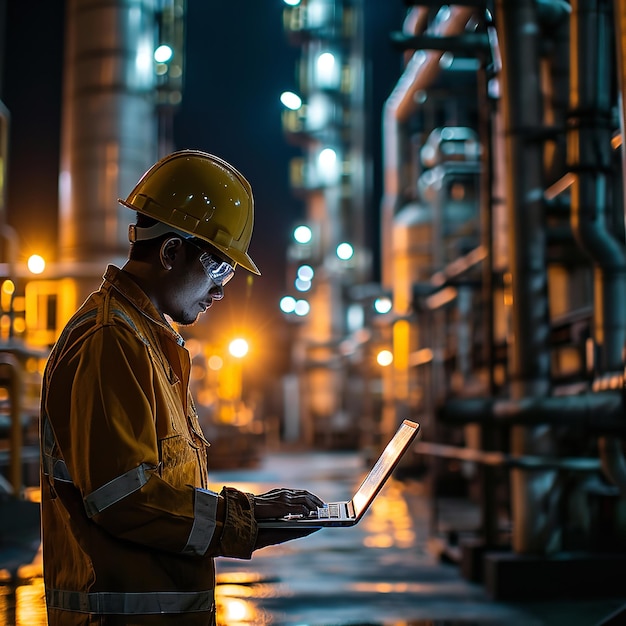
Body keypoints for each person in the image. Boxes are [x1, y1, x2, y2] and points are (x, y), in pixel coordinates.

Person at [39, 150, 324, 625]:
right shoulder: (112, 341)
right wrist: (246, 517)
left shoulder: (149, 343)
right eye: (218, 268)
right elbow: (124, 499)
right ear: (171, 252)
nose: (220, 291)